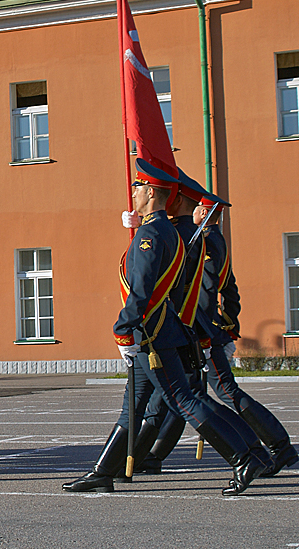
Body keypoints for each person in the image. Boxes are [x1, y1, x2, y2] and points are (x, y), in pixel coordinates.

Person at [63, 160, 268, 495]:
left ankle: (244, 457)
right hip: (161, 330)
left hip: (151, 334)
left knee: (183, 400)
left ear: (152, 193)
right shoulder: (165, 231)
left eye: (138, 188)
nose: (134, 194)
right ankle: (103, 471)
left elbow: (143, 290)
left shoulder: (151, 234)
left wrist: (123, 329)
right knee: (136, 401)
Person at [196, 193, 298, 476]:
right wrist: (229, 324)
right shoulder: (216, 239)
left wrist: (209, 331)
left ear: (204, 212)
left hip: (207, 332)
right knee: (220, 392)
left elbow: (207, 291)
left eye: (195, 210)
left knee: (226, 392)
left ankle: (277, 447)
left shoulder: (207, 242)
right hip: (215, 329)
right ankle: (274, 448)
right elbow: (230, 288)